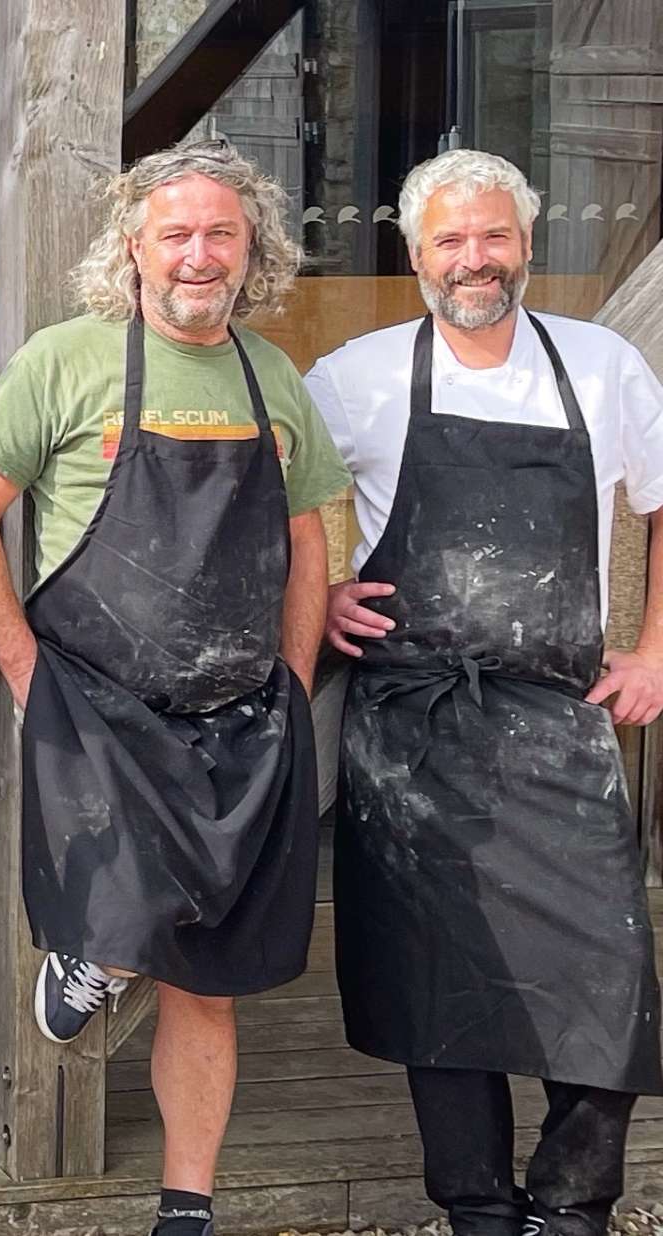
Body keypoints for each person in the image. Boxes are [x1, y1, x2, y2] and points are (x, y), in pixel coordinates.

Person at [0, 140, 347, 1236]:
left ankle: (187, 1202)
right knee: (127, 911)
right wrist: (21, 665)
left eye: (222, 233)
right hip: (100, 711)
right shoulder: (69, 361)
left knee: (208, 981)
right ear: (134, 248)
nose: (198, 255)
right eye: (176, 233)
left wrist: (295, 679)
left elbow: (310, 546)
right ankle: (94, 956)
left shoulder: (274, 377)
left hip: (241, 714)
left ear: (250, 249)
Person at [310, 148, 663, 1236]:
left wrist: (655, 649)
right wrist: (318, 596)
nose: (476, 259)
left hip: (560, 719)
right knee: (438, 982)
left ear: (526, 240)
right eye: (451, 241)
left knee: (604, 970)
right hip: (409, 728)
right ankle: (475, 1207)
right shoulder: (354, 377)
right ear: (414, 254)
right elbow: (264, 515)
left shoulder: (601, 364)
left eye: (495, 236)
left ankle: (572, 1206)